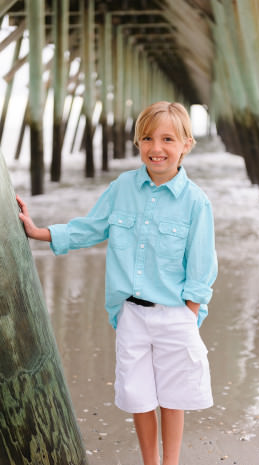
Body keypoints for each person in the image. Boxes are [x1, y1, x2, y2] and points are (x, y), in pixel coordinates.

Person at [17, 101, 216, 465]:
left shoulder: (196, 203)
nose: (156, 148)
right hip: (131, 314)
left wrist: (189, 314)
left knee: (173, 398)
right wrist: (39, 232)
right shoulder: (123, 187)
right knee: (138, 396)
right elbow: (89, 228)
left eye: (168, 139)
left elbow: (202, 268)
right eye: (147, 138)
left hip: (175, 314)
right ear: (138, 143)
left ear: (186, 144)